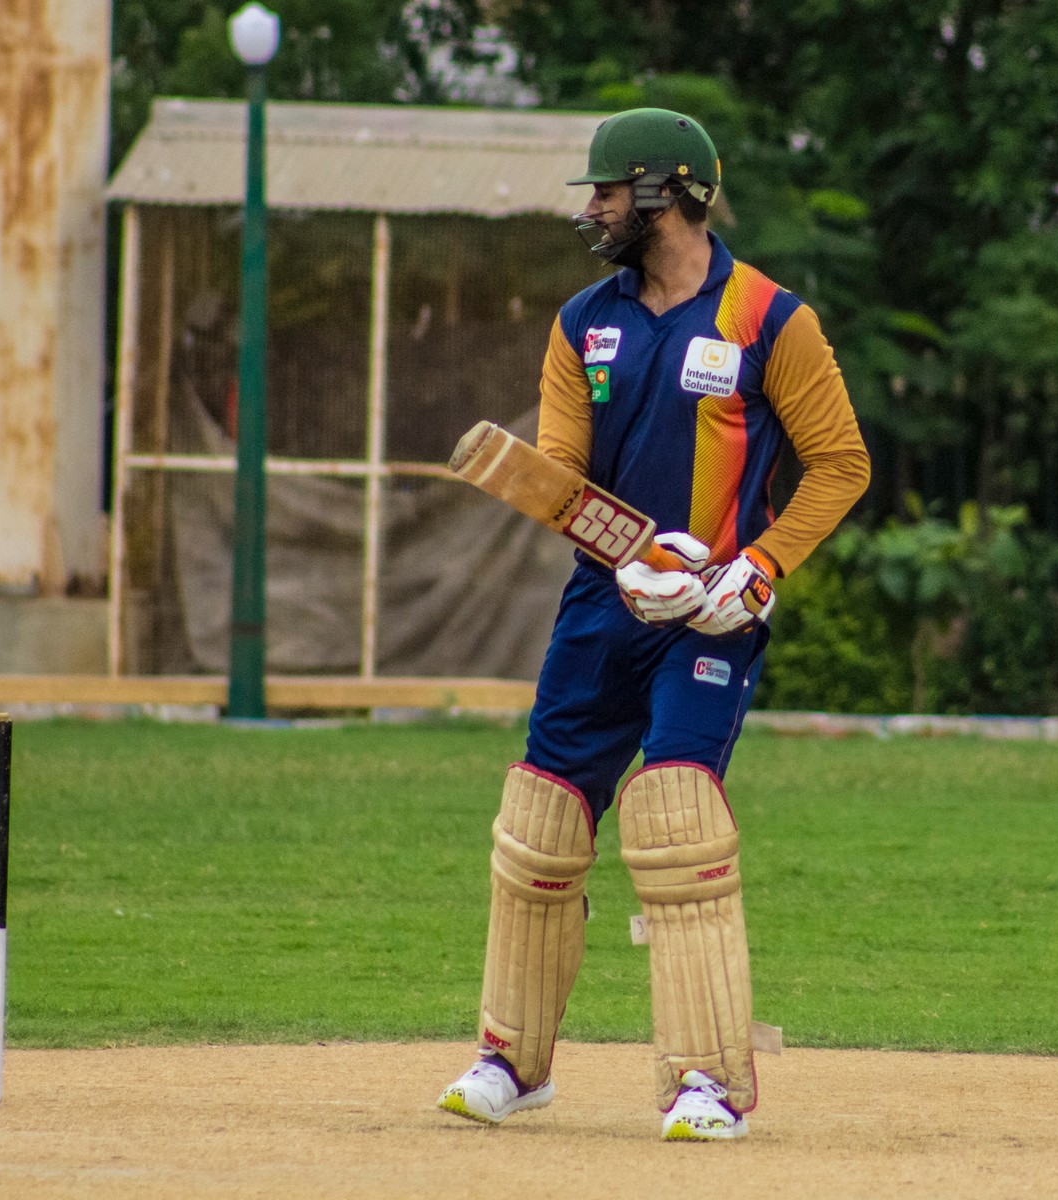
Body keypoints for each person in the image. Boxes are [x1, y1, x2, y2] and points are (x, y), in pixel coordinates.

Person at [437, 108, 870, 1141]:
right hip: (604, 600)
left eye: (606, 191)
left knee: (677, 814)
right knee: (542, 823)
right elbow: (561, 475)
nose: (593, 209)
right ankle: (512, 1063)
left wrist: (754, 571)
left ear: (668, 193)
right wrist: (627, 553)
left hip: (714, 614)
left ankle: (706, 1083)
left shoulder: (771, 319)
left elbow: (840, 464)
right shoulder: (583, 321)